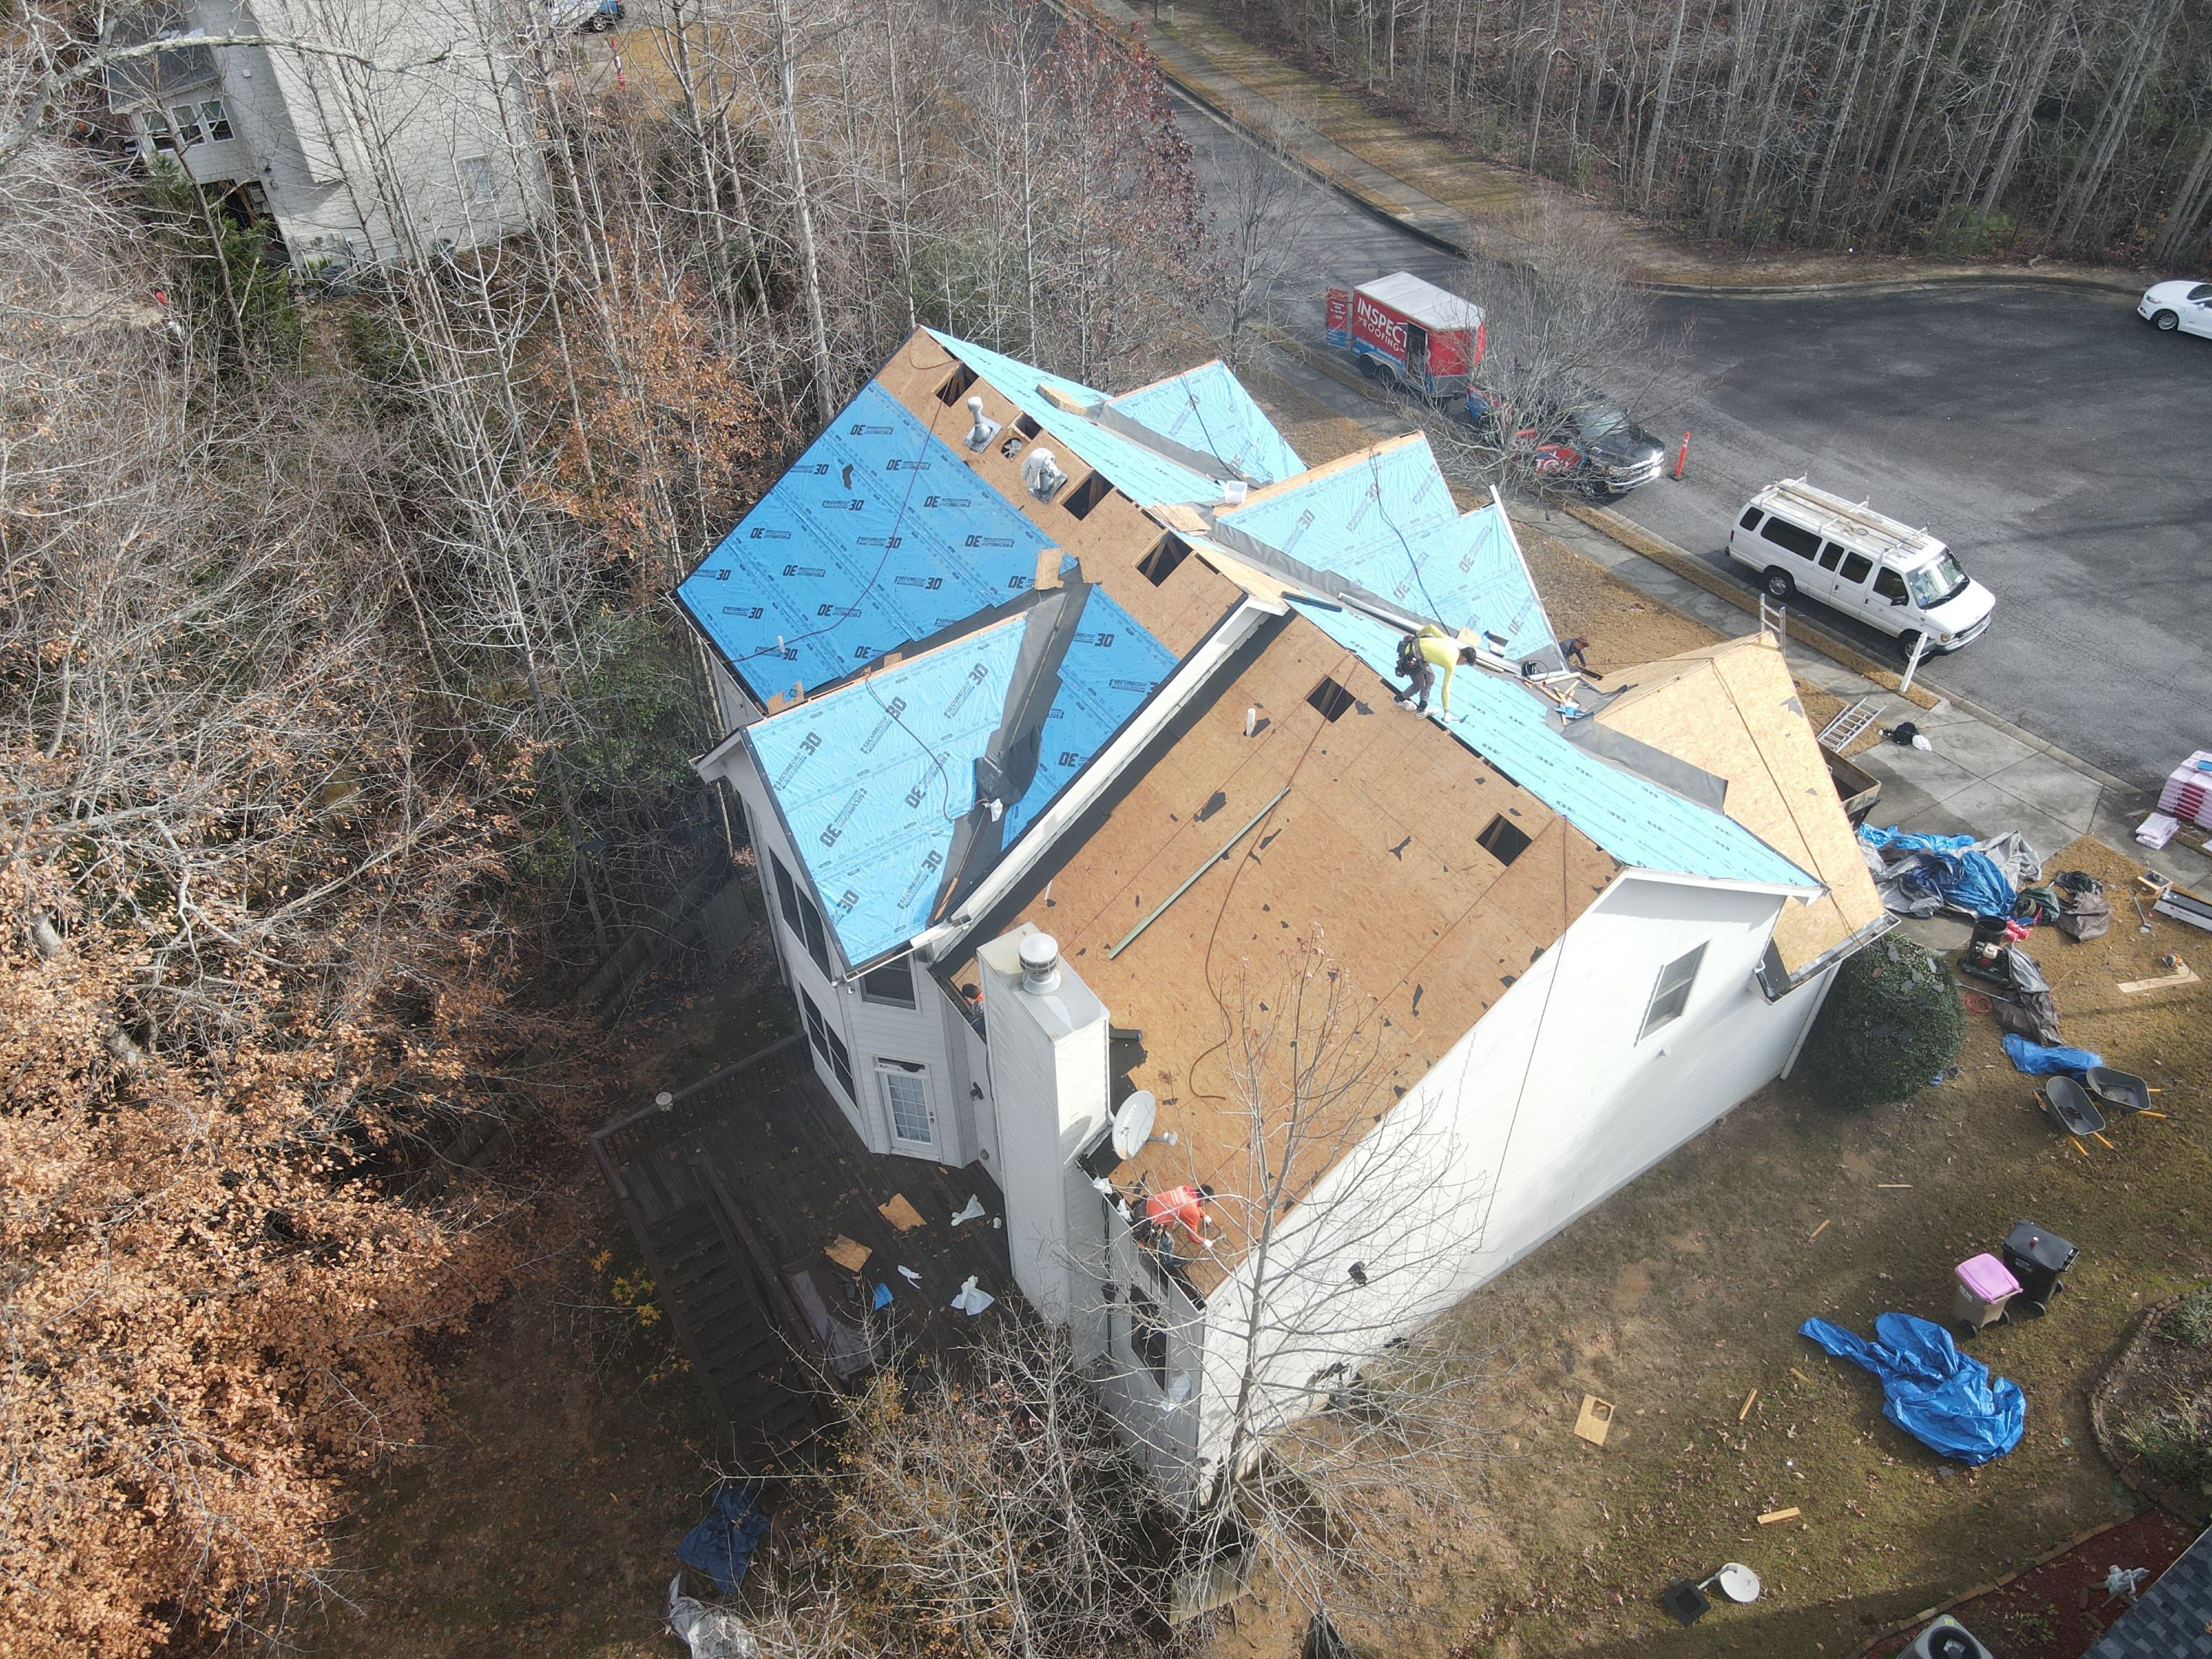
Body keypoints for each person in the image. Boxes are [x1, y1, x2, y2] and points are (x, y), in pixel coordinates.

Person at [1394, 624, 1476, 716]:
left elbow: (1431, 627)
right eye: (1464, 664)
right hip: (1410, 659)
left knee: (1430, 678)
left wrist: (1417, 635)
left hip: (1408, 645)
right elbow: (1445, 689)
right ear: (1464, 659)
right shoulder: (1451, 664)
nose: (1461, 665)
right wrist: (1446, 711)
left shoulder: (1450, 642)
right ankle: (1399, 700)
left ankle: (1422, 708)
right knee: (1419, 684)